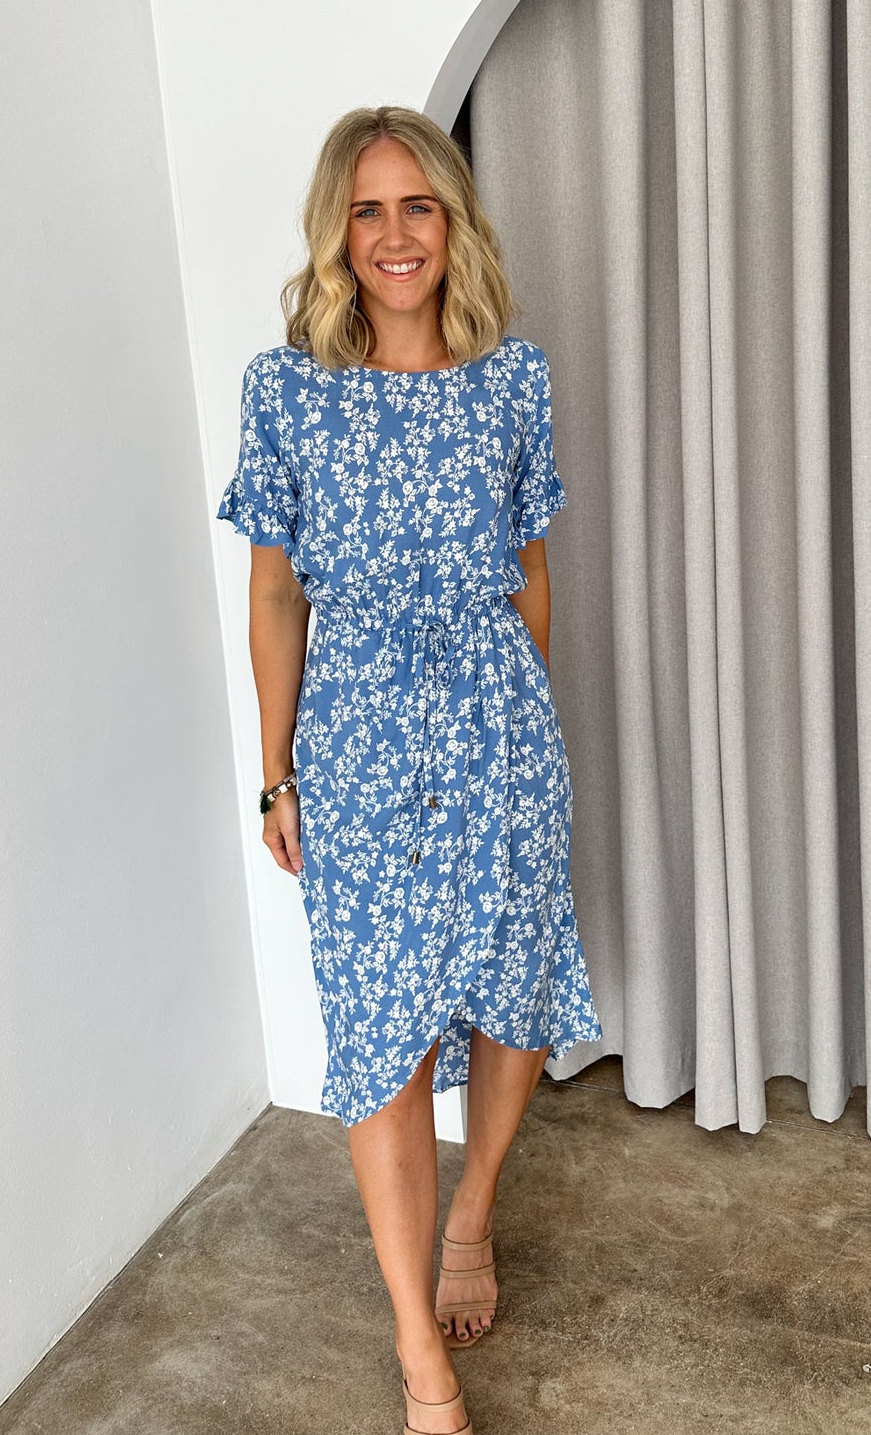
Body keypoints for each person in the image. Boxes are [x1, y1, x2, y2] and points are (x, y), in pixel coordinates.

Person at [216, 105, 603, 1435]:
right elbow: (277, 596)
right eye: (367, 209)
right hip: (357, 747)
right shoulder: (287, 392)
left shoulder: (513, 380)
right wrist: (278, 773)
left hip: (501, 734)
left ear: (452, 224)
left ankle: (472, 1213)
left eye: (418, 206)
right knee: (378, 1033)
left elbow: (531, 573)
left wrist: (525, 733)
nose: (394, 235)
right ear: (338, 231)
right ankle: (414, 1348)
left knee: (512, 994)